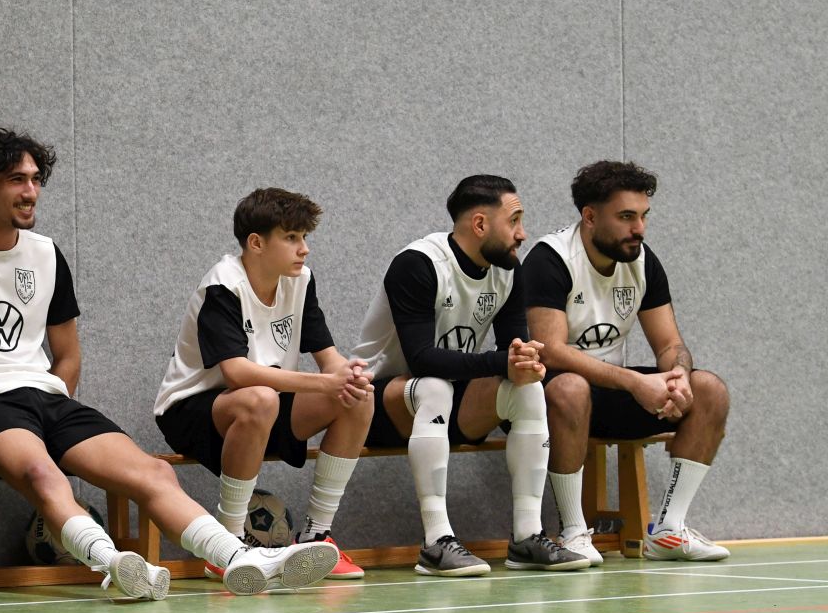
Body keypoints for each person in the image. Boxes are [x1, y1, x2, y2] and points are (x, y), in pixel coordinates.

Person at [0, 127, 338, 598]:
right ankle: (112, 562)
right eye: (16, 180)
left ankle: (237, 558)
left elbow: (68, 354)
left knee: (154, 473)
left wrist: (52, 406)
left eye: (36, 179)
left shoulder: (46, 254)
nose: (31, 191)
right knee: (44, 475)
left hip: (48, 398)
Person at [354, 175, 589, 576]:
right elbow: (421, 359)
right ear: (480, 224)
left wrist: (525, 362)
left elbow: (511, 352)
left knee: (527, 387)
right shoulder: (418, 264)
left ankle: (527, 536)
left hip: (451, 402)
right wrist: (502, 363)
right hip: (377, 404)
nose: (522, 233)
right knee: (433, 387)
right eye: (514, 221)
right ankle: (436, 542)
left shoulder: (507, 271)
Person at [154, 188, 374, 580]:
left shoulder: (300, 280)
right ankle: (226, 546)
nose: (304, 248)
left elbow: (329, 358)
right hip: (192, 408)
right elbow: (236, 373)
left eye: (304, 237)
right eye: (291, 237)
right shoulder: (223, 285)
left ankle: (316, 535)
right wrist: (324, 383)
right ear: (256, 243)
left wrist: (349, 375)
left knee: (356, 398)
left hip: (266, 403)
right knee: (260, 398)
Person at [525, 160, 730, 561]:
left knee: (710, 390)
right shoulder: (551, 259)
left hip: (611, 392)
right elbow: (551, 350)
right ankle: (573, 531)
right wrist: (635, 382)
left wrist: (679, 375)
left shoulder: (642, 260)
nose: (639, 228)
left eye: (643, 216)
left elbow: (669, 343)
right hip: (546, 398)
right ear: (590, 217)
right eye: (626, 217)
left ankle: (669, 530)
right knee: (570, 388)